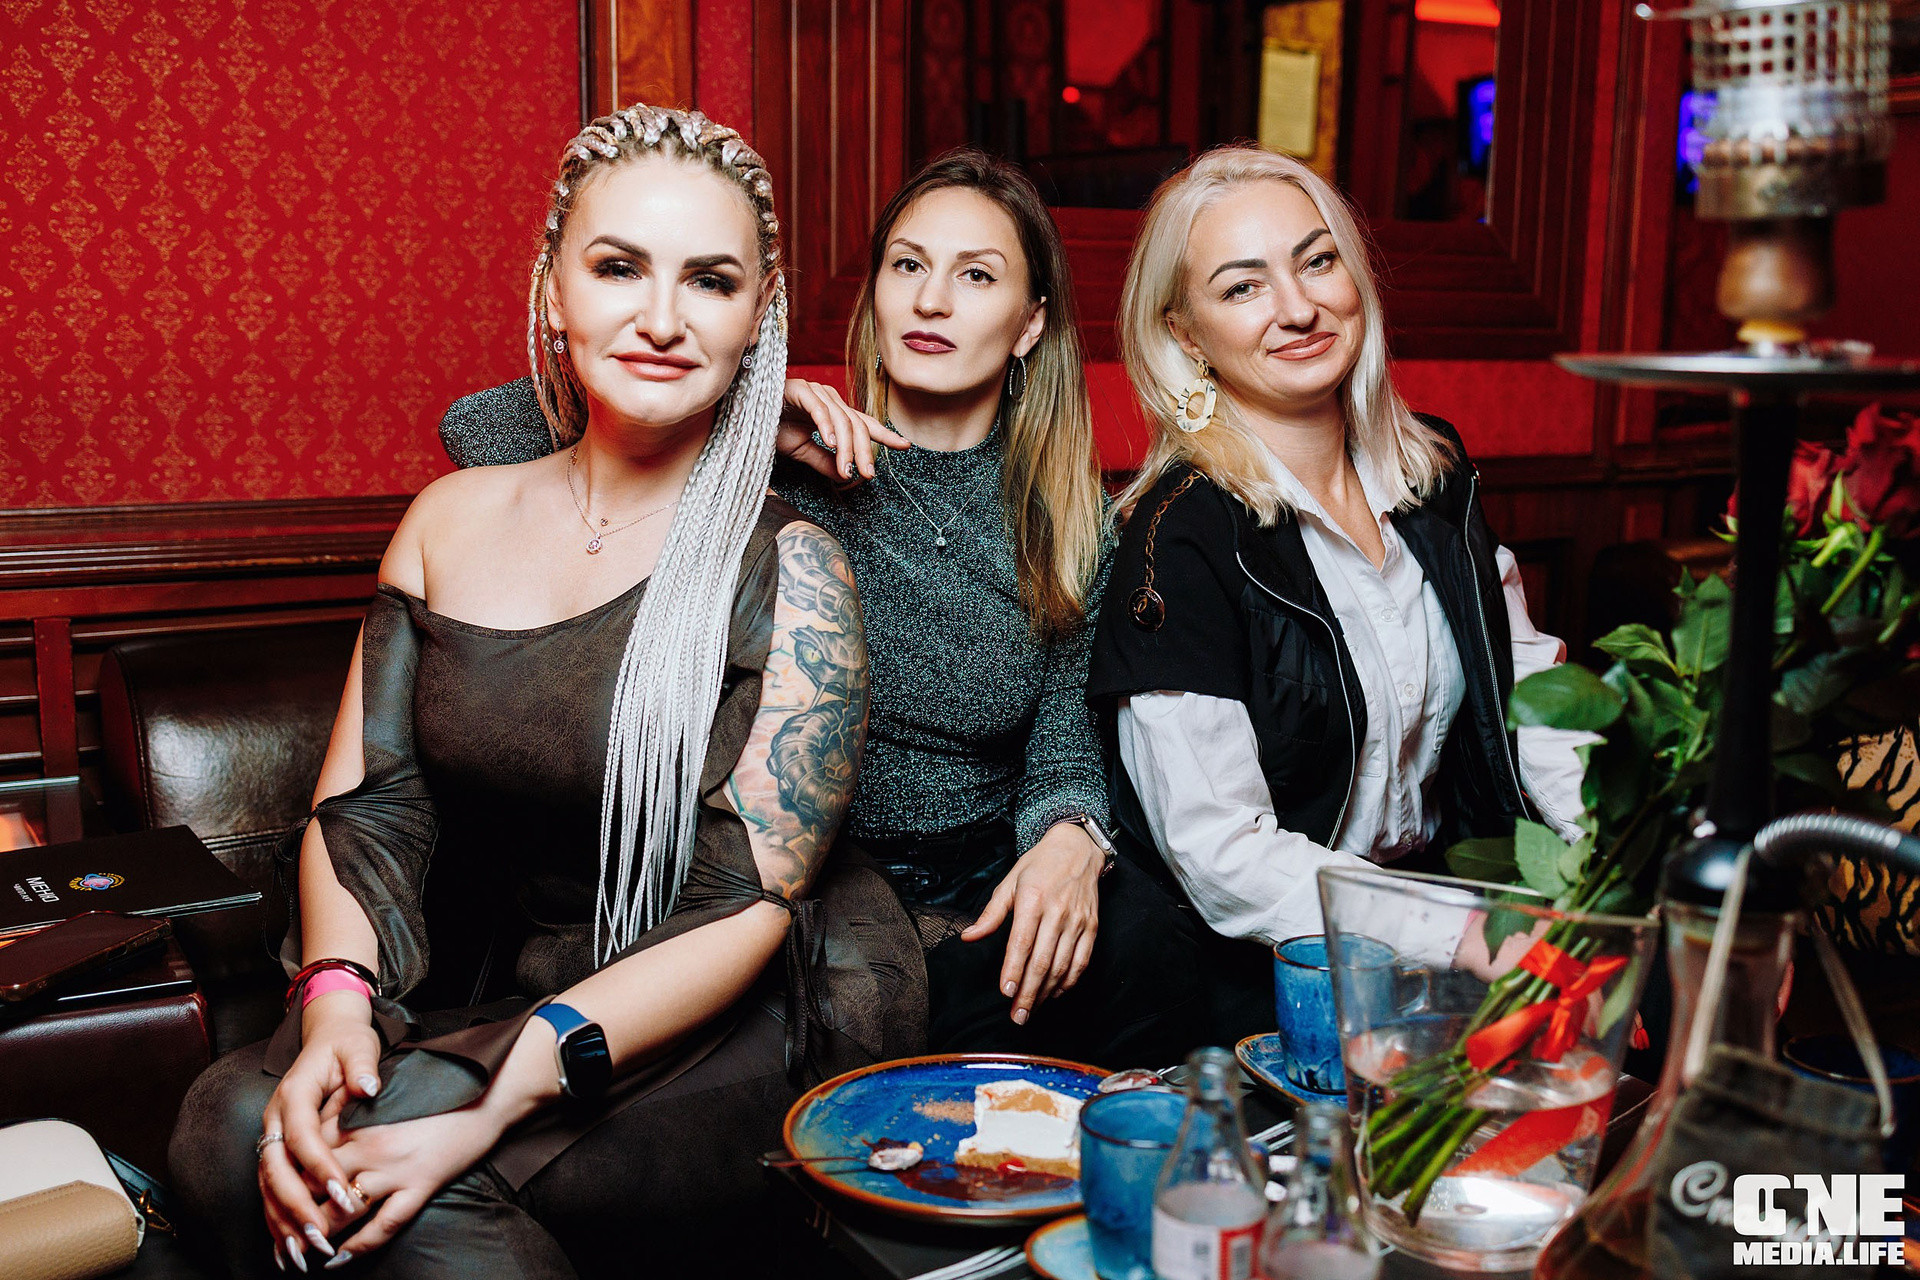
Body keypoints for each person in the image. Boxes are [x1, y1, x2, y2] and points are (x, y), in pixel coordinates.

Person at [170, 105, 924, 1279]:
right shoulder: (449, 517)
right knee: (229, 1128)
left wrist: (491, 1101)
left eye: (711, 281)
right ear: (553, 289)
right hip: (506, 965)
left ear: (759, 317)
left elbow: (742, 905)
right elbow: (369, 813)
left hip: (722, 1003)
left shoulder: (794, 566)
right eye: (619, 267)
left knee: (408, 1171)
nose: (662, 318)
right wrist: (336, 1008)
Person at [439, 150, 1204, 1067]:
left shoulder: (1074, 522)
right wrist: (744, 421)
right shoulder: (777, 466)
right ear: (875, 294)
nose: (931, 301)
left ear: (1030, 322)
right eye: (908, 265)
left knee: (1174, 963)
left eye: (976, 276)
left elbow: (1065, 733)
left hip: (983, 884)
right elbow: (476, 432)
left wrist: (1072, 835)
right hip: (796, 894)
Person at [1087, 145, 1586, 1044]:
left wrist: (1624, 868)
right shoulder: (1179, 537)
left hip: (1455, 925)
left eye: (1317, 262)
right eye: (1243, 287)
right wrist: (1461, 933)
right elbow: (1221, 856)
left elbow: (1534, 699)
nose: (1297, 307)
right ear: (1186, 334)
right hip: (1266, 982)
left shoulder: (1433, 474)